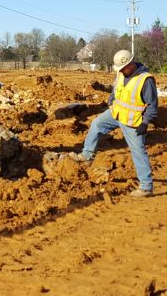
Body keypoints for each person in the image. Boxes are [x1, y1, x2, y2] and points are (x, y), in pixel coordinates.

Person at [64, 49, 158, 197]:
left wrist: (145, 123)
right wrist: (111, 101)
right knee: (96, 124)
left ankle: (146, 186)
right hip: (116, 113)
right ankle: (87, 156)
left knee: (138, 150)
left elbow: (152, 105)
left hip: (132, 121)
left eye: (122, 68)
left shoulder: (145, 80)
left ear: (130, 64)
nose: (120, 71)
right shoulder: (122, 74)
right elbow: (116, 90)